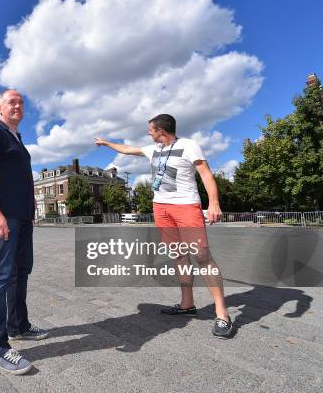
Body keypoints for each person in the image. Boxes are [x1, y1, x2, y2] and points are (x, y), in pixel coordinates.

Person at [95, 114, 233, 338]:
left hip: (186, 206)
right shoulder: (153, 150)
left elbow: (206, 175)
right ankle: (187, 304)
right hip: (161, 208)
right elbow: (128, 149)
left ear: (160, 130)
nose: (149, 133)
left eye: (151, 129)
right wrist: (107, 143)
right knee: (179, 256)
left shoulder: (189, 146)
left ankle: (222, 314)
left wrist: (214, 203)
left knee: (202, 257)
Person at [0, 89, 50, 375]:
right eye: (11, 102)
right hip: (2, 217)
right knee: (0, 276)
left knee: (20, 273)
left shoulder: (18, 140)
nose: (18, 105)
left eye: (21, 102)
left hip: (22, 219)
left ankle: (18, 326)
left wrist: (30, 215)